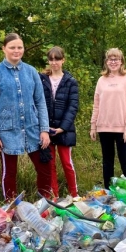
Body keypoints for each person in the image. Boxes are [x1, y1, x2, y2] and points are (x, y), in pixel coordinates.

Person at [0, 33, 52, 200]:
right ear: (4, 49)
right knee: (9, 172)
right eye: (12, 47)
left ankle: (45, 203)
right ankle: (11, 206)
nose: (16, 50)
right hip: (7, 132)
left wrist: (44, 130)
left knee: (45, 167)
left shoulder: (31, 72)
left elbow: (41, 102)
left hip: (33, 129)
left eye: (19, 47)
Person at [90, 48, 126, 189]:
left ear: (121, 61)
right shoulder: (101, 80)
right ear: (106, 62)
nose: (113, 62)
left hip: (122, 128)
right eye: (110, 59)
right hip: (104, 127)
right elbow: (96, 104)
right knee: (107, 162)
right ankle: (109, 191)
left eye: (116, 59)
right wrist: (93, 125)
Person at [39, 46, 79, 198]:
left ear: (63, 60)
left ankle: (75, 195)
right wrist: (44, 126)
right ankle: (54, 196)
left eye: (57, 59)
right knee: (50, 165)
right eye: (51, 59)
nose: (54, 62)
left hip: (64, 130)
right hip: (46, 129)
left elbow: (73, 106)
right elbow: (38, 102)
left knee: (67, 164)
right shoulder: (41, 79)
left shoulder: (70, 81)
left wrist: (63, 127)